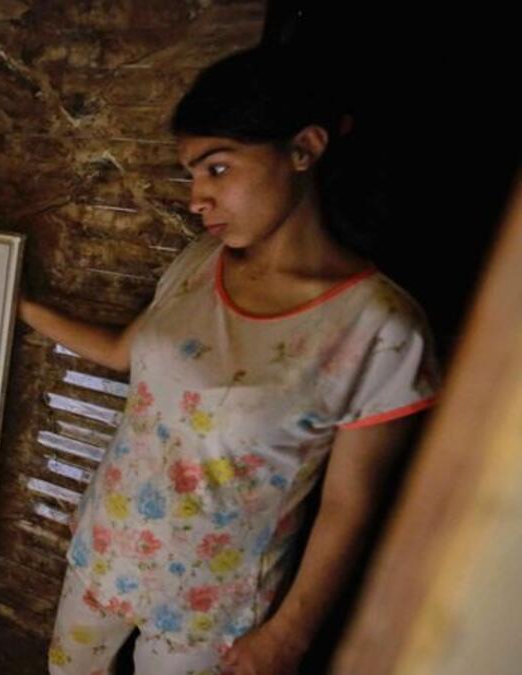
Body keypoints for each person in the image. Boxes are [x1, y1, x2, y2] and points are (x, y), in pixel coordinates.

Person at [25, 45, 442, 675]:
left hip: (209, 607)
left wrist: (289, 636)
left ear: (303, 149)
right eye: (193, 174)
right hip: (107, 551)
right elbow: (120, 352)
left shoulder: (380, 329)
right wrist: (14, 303)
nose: (197, 197)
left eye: (217, 169)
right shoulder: (199, 264)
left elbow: (349, 506)